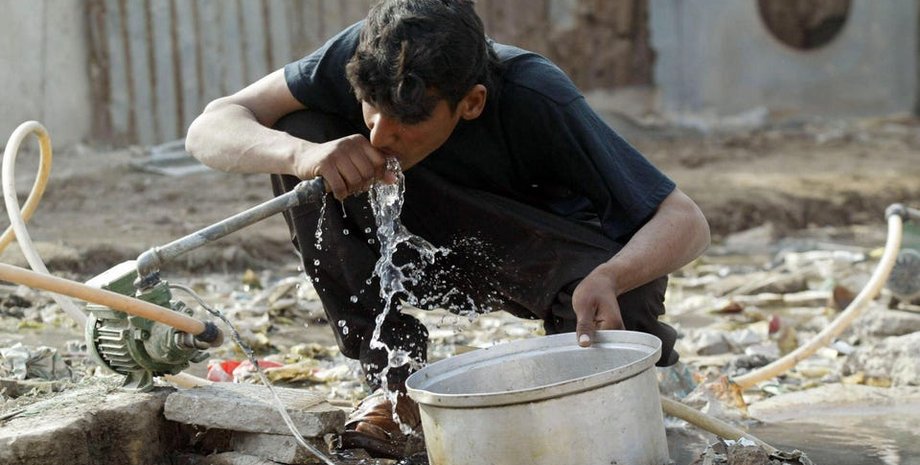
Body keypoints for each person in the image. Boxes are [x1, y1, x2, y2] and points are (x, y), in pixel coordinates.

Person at [186, 0, 710, 459]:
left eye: (407, 119)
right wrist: (306, 154)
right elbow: (210, 126)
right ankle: (395, 393)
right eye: (371, 107)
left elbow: (684, 221)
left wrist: (613, 276)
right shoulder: (364, 52)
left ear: (472, 102)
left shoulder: (537, 94)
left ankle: (592, 393)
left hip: (530, 253)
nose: (379, 133)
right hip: (410, 241)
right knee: (295, 132)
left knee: (626, 287)